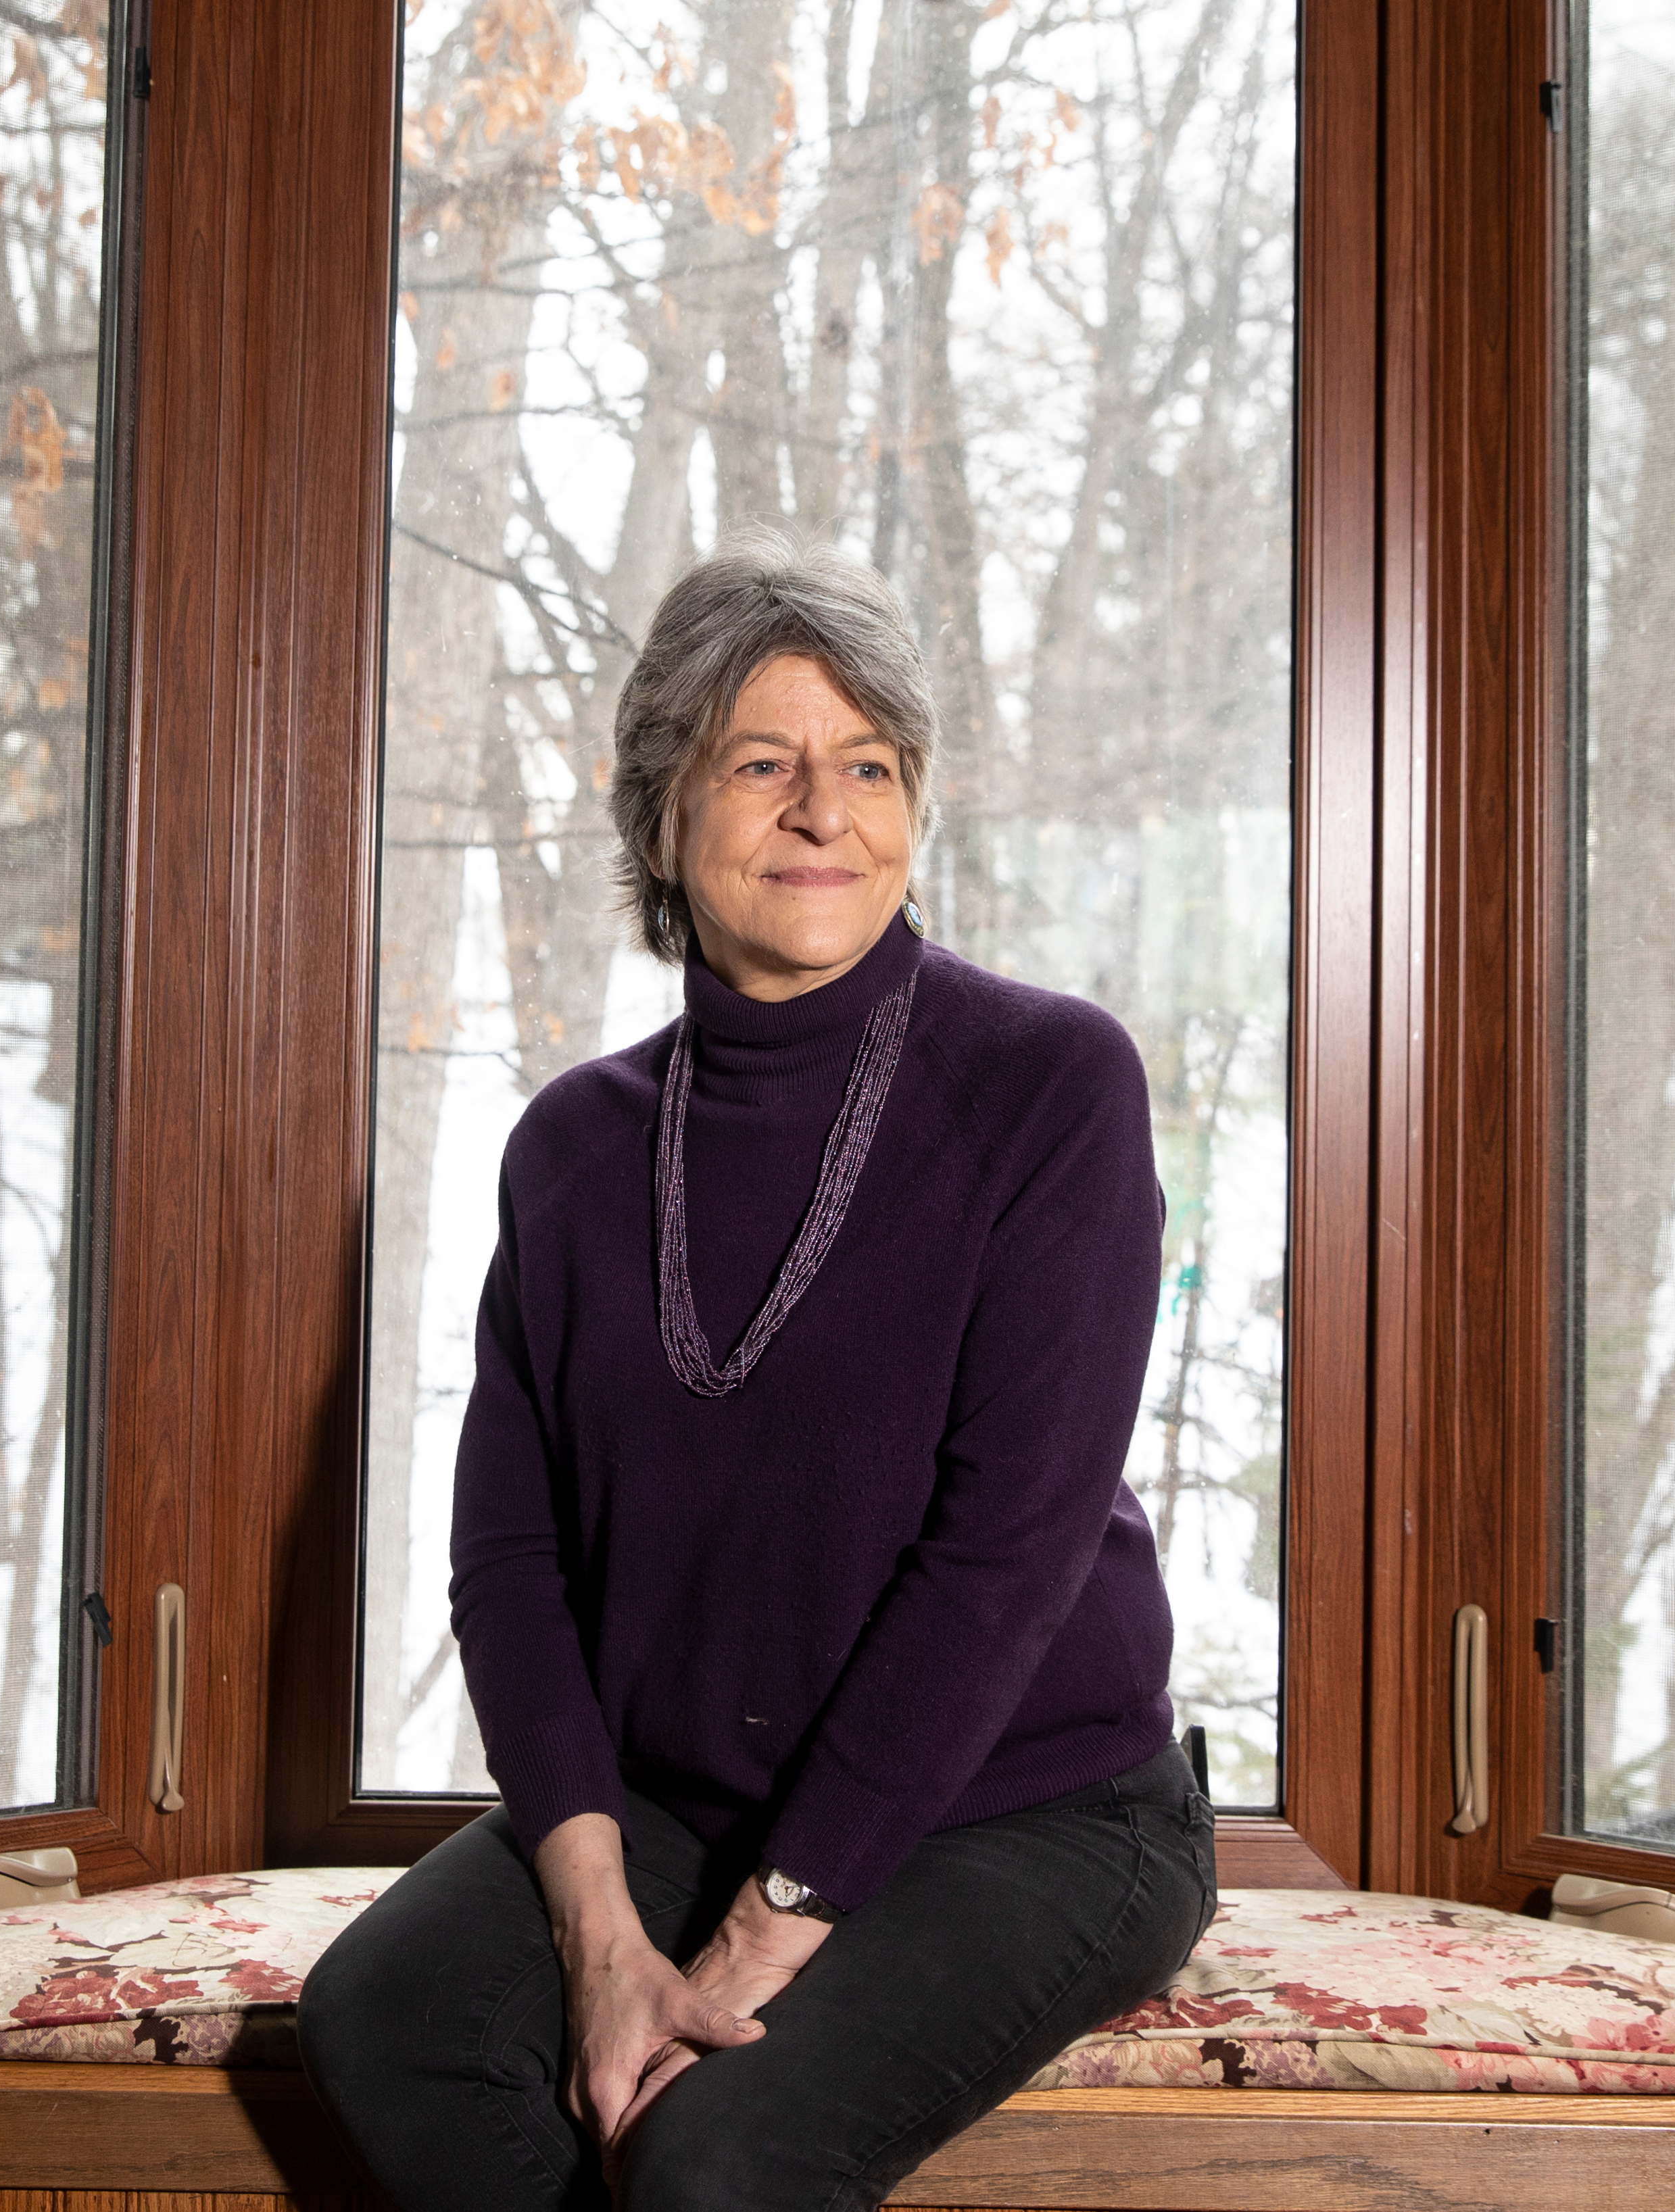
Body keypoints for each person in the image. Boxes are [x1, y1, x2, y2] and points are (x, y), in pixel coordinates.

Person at [298, 529, 1215, 2211]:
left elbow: (1000, 1558)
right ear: (666, 809)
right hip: (677, 1798)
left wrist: (749, 1936)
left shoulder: (1048, 1085)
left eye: (868, 764)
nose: (824, 811)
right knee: (387, 2015)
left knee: (710, 2158)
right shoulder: (574, 1146)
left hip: (1035, 1808)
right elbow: (508, 1567)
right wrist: (595, 1931)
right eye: (763, 762)